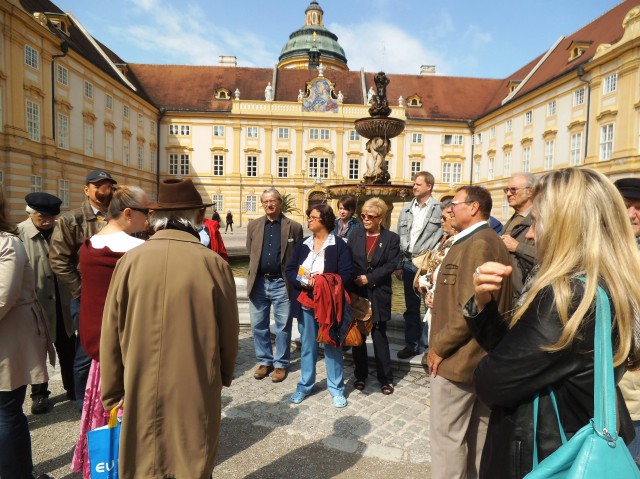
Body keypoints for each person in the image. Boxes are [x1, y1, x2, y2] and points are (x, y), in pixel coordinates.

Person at [465, 168, 640, 479]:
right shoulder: (605, 284)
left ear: (568, 227)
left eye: (537, 221)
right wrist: (482, 304)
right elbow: (522, 358)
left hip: (545, 457)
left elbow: (492, 383)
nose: (531, 234)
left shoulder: (568, 297)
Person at [100, 178, 239, 478]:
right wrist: (222, 375)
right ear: (199, 218)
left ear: (153, 218)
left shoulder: (130, 262)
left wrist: (112, 391)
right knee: (191, 459)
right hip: (195, 381)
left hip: (139, 382)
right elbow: (230, 333)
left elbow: (111, 331)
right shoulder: (214, 265)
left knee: (142, 462)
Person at [426, 185, 512, 479]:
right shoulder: (475, 240)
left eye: (455, 203)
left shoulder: (479, 243)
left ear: (474, 207)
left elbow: (472, 307)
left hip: (460, 360)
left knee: (448, 440)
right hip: (474, 359)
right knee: (476, 441)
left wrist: (438, 347)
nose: (449, 208)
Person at [71, 186, 149, 478]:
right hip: (129, 350)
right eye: (145, 213)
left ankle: (102, 465)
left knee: (102, 414)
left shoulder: (89, 245)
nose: (148, 220)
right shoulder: (137, 250)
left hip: (99, 349)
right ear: (128, 214)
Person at [49, 169, 116, 411]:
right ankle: (82, 402)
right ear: (86, 189)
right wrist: (80, 292)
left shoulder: (118, 217)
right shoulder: (71, 220)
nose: (104, 190)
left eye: (108, 185)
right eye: (98, 185)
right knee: (86, 351)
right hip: (86, 298)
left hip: (116, 296)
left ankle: (111, 397)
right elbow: (58, 261)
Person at [0, 187, 54, 479]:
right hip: (9, 338)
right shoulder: (8, 242)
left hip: (10, 335)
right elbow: (4, 297)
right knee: (8, 411)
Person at [285, 204, 353, 408]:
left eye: (313, 217)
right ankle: (304, 386)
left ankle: (336, 389)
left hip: (329, 305)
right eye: (309, 217)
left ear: (324, 220)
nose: (309, 220)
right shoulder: (302, 244)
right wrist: (304, 281)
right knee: (307, 347)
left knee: (332, 345)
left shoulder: (339, 245)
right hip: (305, 302)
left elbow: (347, 275)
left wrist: (322, 281)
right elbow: (290, 270)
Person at [17, 193, 75, 414]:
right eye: (43, 216)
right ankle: (39, 395)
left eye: (52, 216)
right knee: (37, 352)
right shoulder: (19, 234)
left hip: (63, 301)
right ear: (30, 213)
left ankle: (73, 388)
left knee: (68, 346)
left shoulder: (63, 230)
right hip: (35, 303)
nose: (48, 220)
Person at [246, 188, 303, 382]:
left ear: (280, 202)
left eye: (272, 201)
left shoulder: (293, 227)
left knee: (283, 326)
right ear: (262, 204)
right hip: (259, 282)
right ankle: (264, 361)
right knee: (258, 325)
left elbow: (297, 256)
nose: (269, 204)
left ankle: (280, 364)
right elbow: (250, 251)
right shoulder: (253, 225)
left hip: (281, 283)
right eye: (265, 201)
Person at [348, 198, 400, 395]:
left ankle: (385, 378)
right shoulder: (356, 234)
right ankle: (360, 375)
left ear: (381, 218)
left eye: (370, 216)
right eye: (363, 215)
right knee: (359, 337)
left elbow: (390, 265)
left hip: (378, 292)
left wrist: (368, 278)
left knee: (379, 336)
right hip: (358, 293)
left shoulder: (391, 239)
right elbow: (349, 259)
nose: (366, 219)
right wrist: (356, 279)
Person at [395, 171, 443, 358]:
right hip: (408, 262)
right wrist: (399, 264)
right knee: (411, 307)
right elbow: (400, 238)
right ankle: (412, 344)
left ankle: (431, 347)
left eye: (418, 184)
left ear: (429, 186)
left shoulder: (439, 208)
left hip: (429, 264)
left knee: (432, 305)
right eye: (414, 184)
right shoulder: (407, 209)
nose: (414, 187)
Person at [614, 177, 640, 466]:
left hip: (632, 389)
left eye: (639, 207)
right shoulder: (604, 250)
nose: (632, 213)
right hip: (602, 385)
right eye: (625, 206)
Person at [414, 196, 455, 368]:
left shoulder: (457, 242)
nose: (441, 222)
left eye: (444, 218)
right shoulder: (445, 239)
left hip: (446, 304)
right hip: (433, 298)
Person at [501, 173, 536, 300]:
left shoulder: (540, 219)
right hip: (508, 292)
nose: (508, 194)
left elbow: (550, 256)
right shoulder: (513, 219)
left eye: (514, 189)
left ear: (530, 192)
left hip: (525, 294)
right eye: (507, 190)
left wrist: (518, 247)